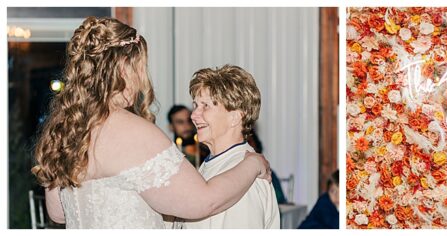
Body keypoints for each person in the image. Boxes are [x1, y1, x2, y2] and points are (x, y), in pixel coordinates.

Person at [33, 17, 271, 229]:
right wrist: (254, 165)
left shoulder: (66, 131)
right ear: (124, 68)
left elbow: (58, 213)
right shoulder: (131, 130)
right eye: (140, 67)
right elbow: (204, 202)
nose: (142, 77)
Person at [176, 65, 280, 229]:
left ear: (235, 117)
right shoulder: (219, 163)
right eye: (195, 105)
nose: (193, 115)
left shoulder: (244, 177)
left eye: (206, 106)